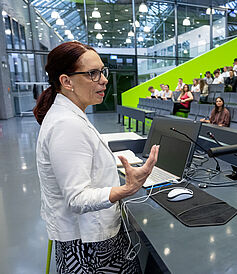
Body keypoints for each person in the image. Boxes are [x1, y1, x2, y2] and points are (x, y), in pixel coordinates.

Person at [33, 41, 159, 273]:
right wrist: (126, 189)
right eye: (92, 73)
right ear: (66, 81)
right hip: (90, 247)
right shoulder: (66, 125)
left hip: (89, 240)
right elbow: (77, 198)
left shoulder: (69, 115)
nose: (104, 79)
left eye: (102, 71)